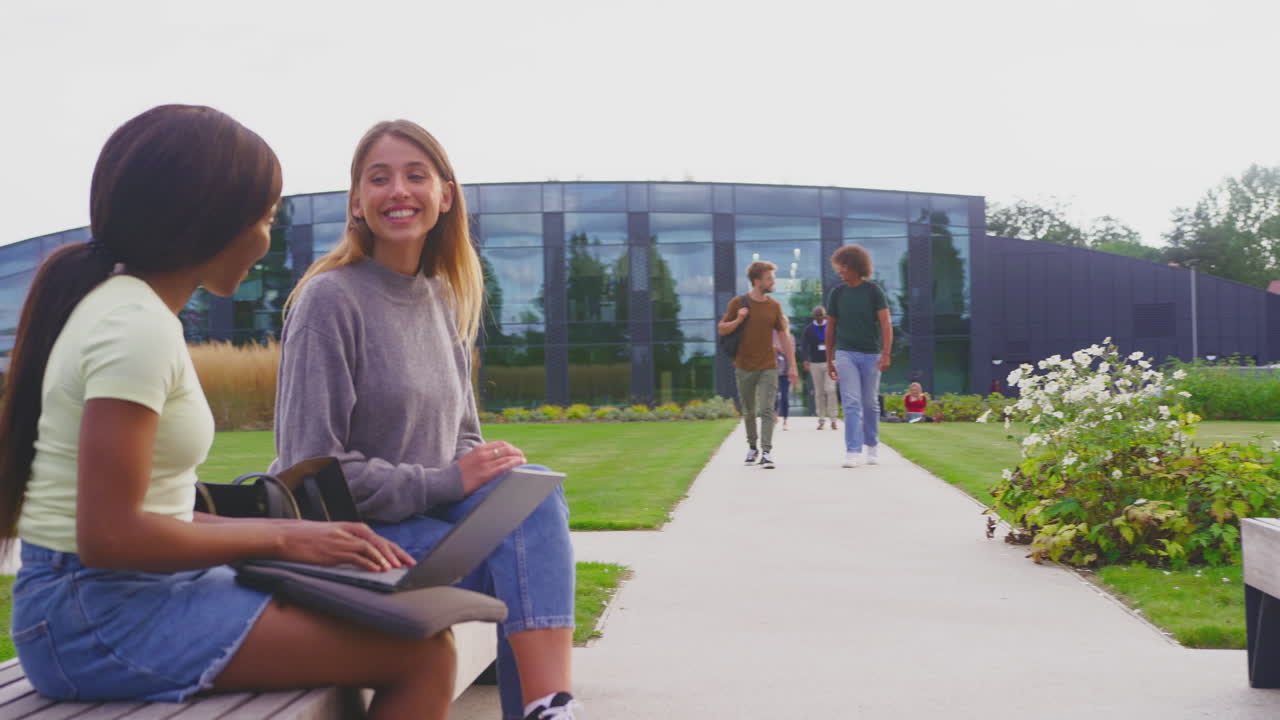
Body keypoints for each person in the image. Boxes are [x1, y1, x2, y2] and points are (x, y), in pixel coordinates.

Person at [0, 105, 456, 719]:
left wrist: (304, 537)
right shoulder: (132, 328)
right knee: (423, 651)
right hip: (97, 616)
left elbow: (152, 515)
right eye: (265, 220)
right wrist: (282, 535)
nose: (266, 242)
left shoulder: (130, 310)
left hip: (116, 597)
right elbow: (109, 538)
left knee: (401, 618)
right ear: (208, 220)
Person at [269, 120, 580, 720]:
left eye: (416, 175)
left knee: (533, 494)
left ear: (445, 194)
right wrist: (446, 481)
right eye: (378, 178)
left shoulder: (442, 295)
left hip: (429, 521)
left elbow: (462, 435)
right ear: (357, 201)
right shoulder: (328, 301)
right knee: (520, 561)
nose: (398, 192)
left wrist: (490, 470)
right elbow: (308, 473)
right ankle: (549, 709)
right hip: (354, 538)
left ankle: (550, 707)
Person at [719, 261, 799, 468]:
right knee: (749, 410)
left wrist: (793, 366)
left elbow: (784, 337)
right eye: (769, 278)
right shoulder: (739, 303)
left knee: (766, 409)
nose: (773, 282)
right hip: (744, 365)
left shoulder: (774, 306)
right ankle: (752, 447)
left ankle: (767, 451)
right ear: (757, 281)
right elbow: (722, 329)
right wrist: (738, 319)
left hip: (768, 366)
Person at [826, 244, 892, 468]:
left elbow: (885, 323)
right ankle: (852, 450)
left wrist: (886, 353)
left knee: (870, 402)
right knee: (851, 401)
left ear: (855, 265)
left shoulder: (873, 291)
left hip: (871, 354)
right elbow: (830, 328)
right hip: (845, 353)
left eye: (843, 266)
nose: (840, 271)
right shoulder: (837, 293)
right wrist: (829, 359)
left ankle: (872, 445)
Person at [801, 305, 839, 430]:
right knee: (819, 392)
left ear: (825, 315)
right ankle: (821, 419)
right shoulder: (809, 329)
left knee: (831, 390)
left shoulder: (831, 326)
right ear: (814, 316)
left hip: (830, 362)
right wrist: (806, 360)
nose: (819, 317)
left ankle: (833, 419)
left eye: (821, 314)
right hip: (815, 364)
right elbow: (804, 346)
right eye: (816, 315)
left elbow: (837, 341)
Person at [774, 330, 791, 431]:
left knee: (784, 396)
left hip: (785, 373)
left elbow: (790, 353)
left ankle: (785, 420)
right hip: (773, 372)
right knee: (774, 396)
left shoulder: (789, 337)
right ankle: (774, 415)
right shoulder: (771, 335)